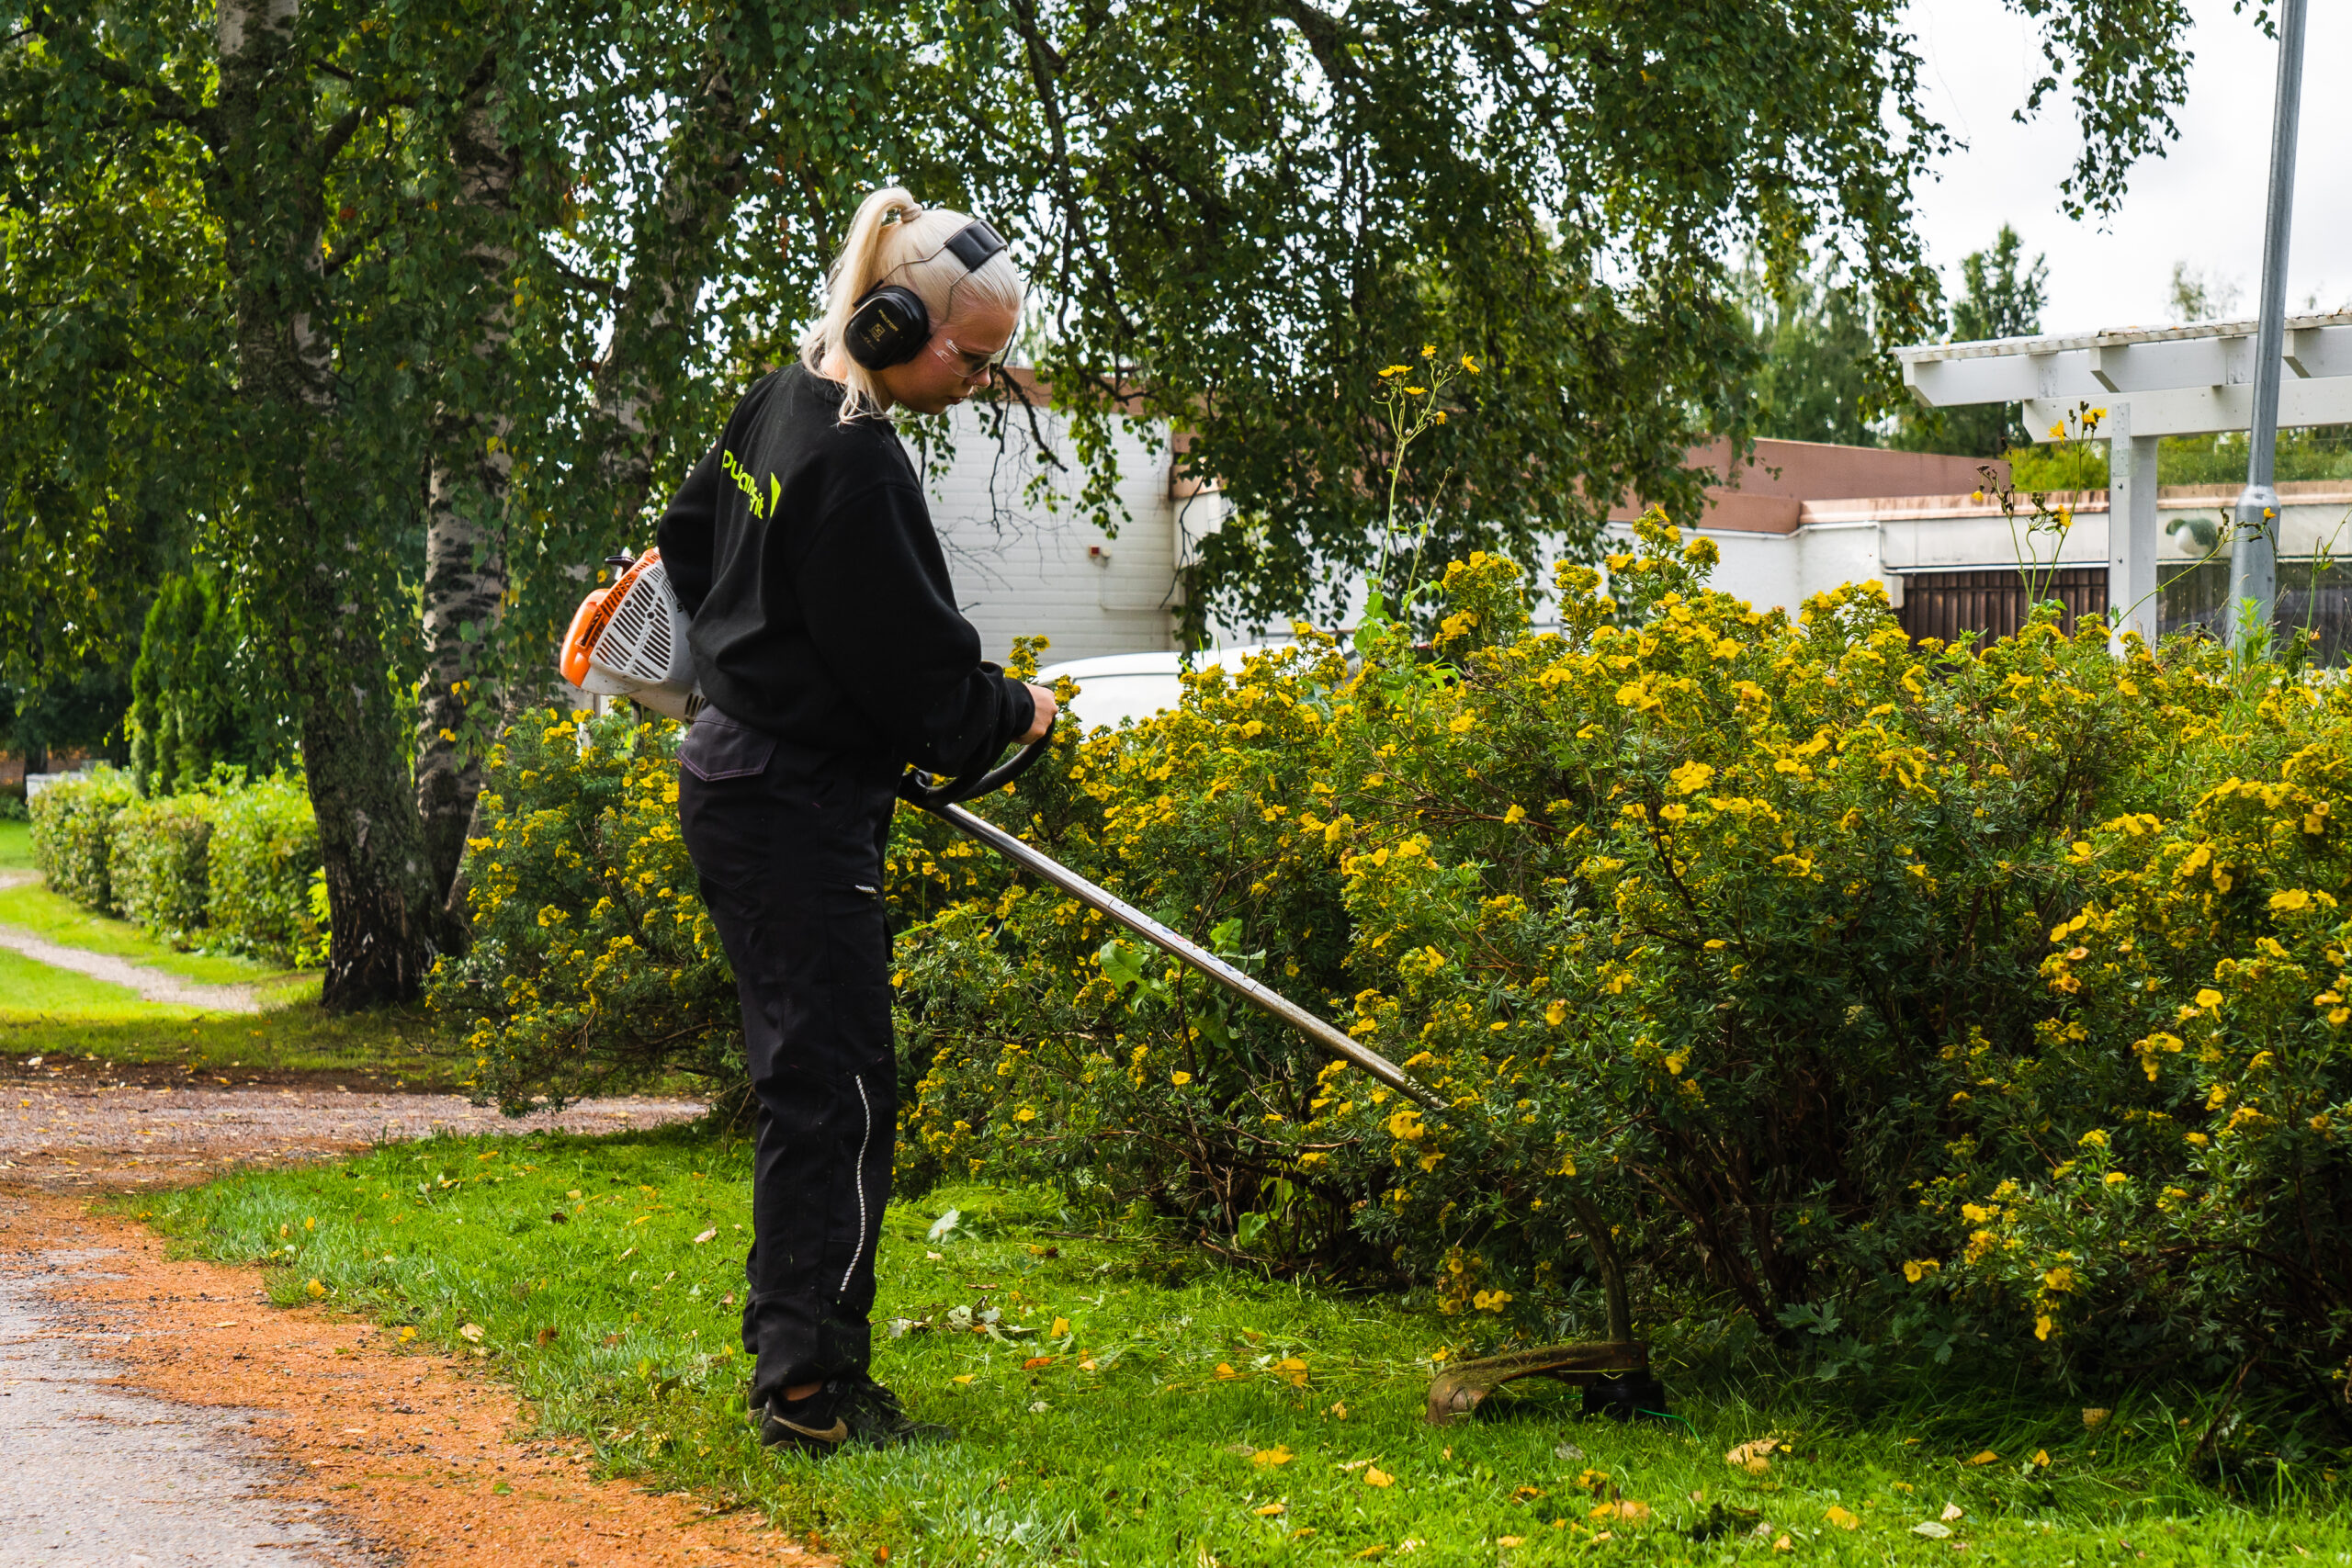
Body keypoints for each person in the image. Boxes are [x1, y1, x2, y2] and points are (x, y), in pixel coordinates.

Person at [655, 186, 1057, 1456]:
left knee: (805, 1081)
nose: (981, 382)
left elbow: (683, 541)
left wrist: (757, 654)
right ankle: (811, 1390)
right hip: (793, 801)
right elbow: (928, 687)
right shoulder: (855, 458)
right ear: (891, 324)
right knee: (837, 1090)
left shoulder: (781, 403)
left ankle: (800, 1360)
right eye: (972, 357)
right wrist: (1018, 711)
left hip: (731, 772)